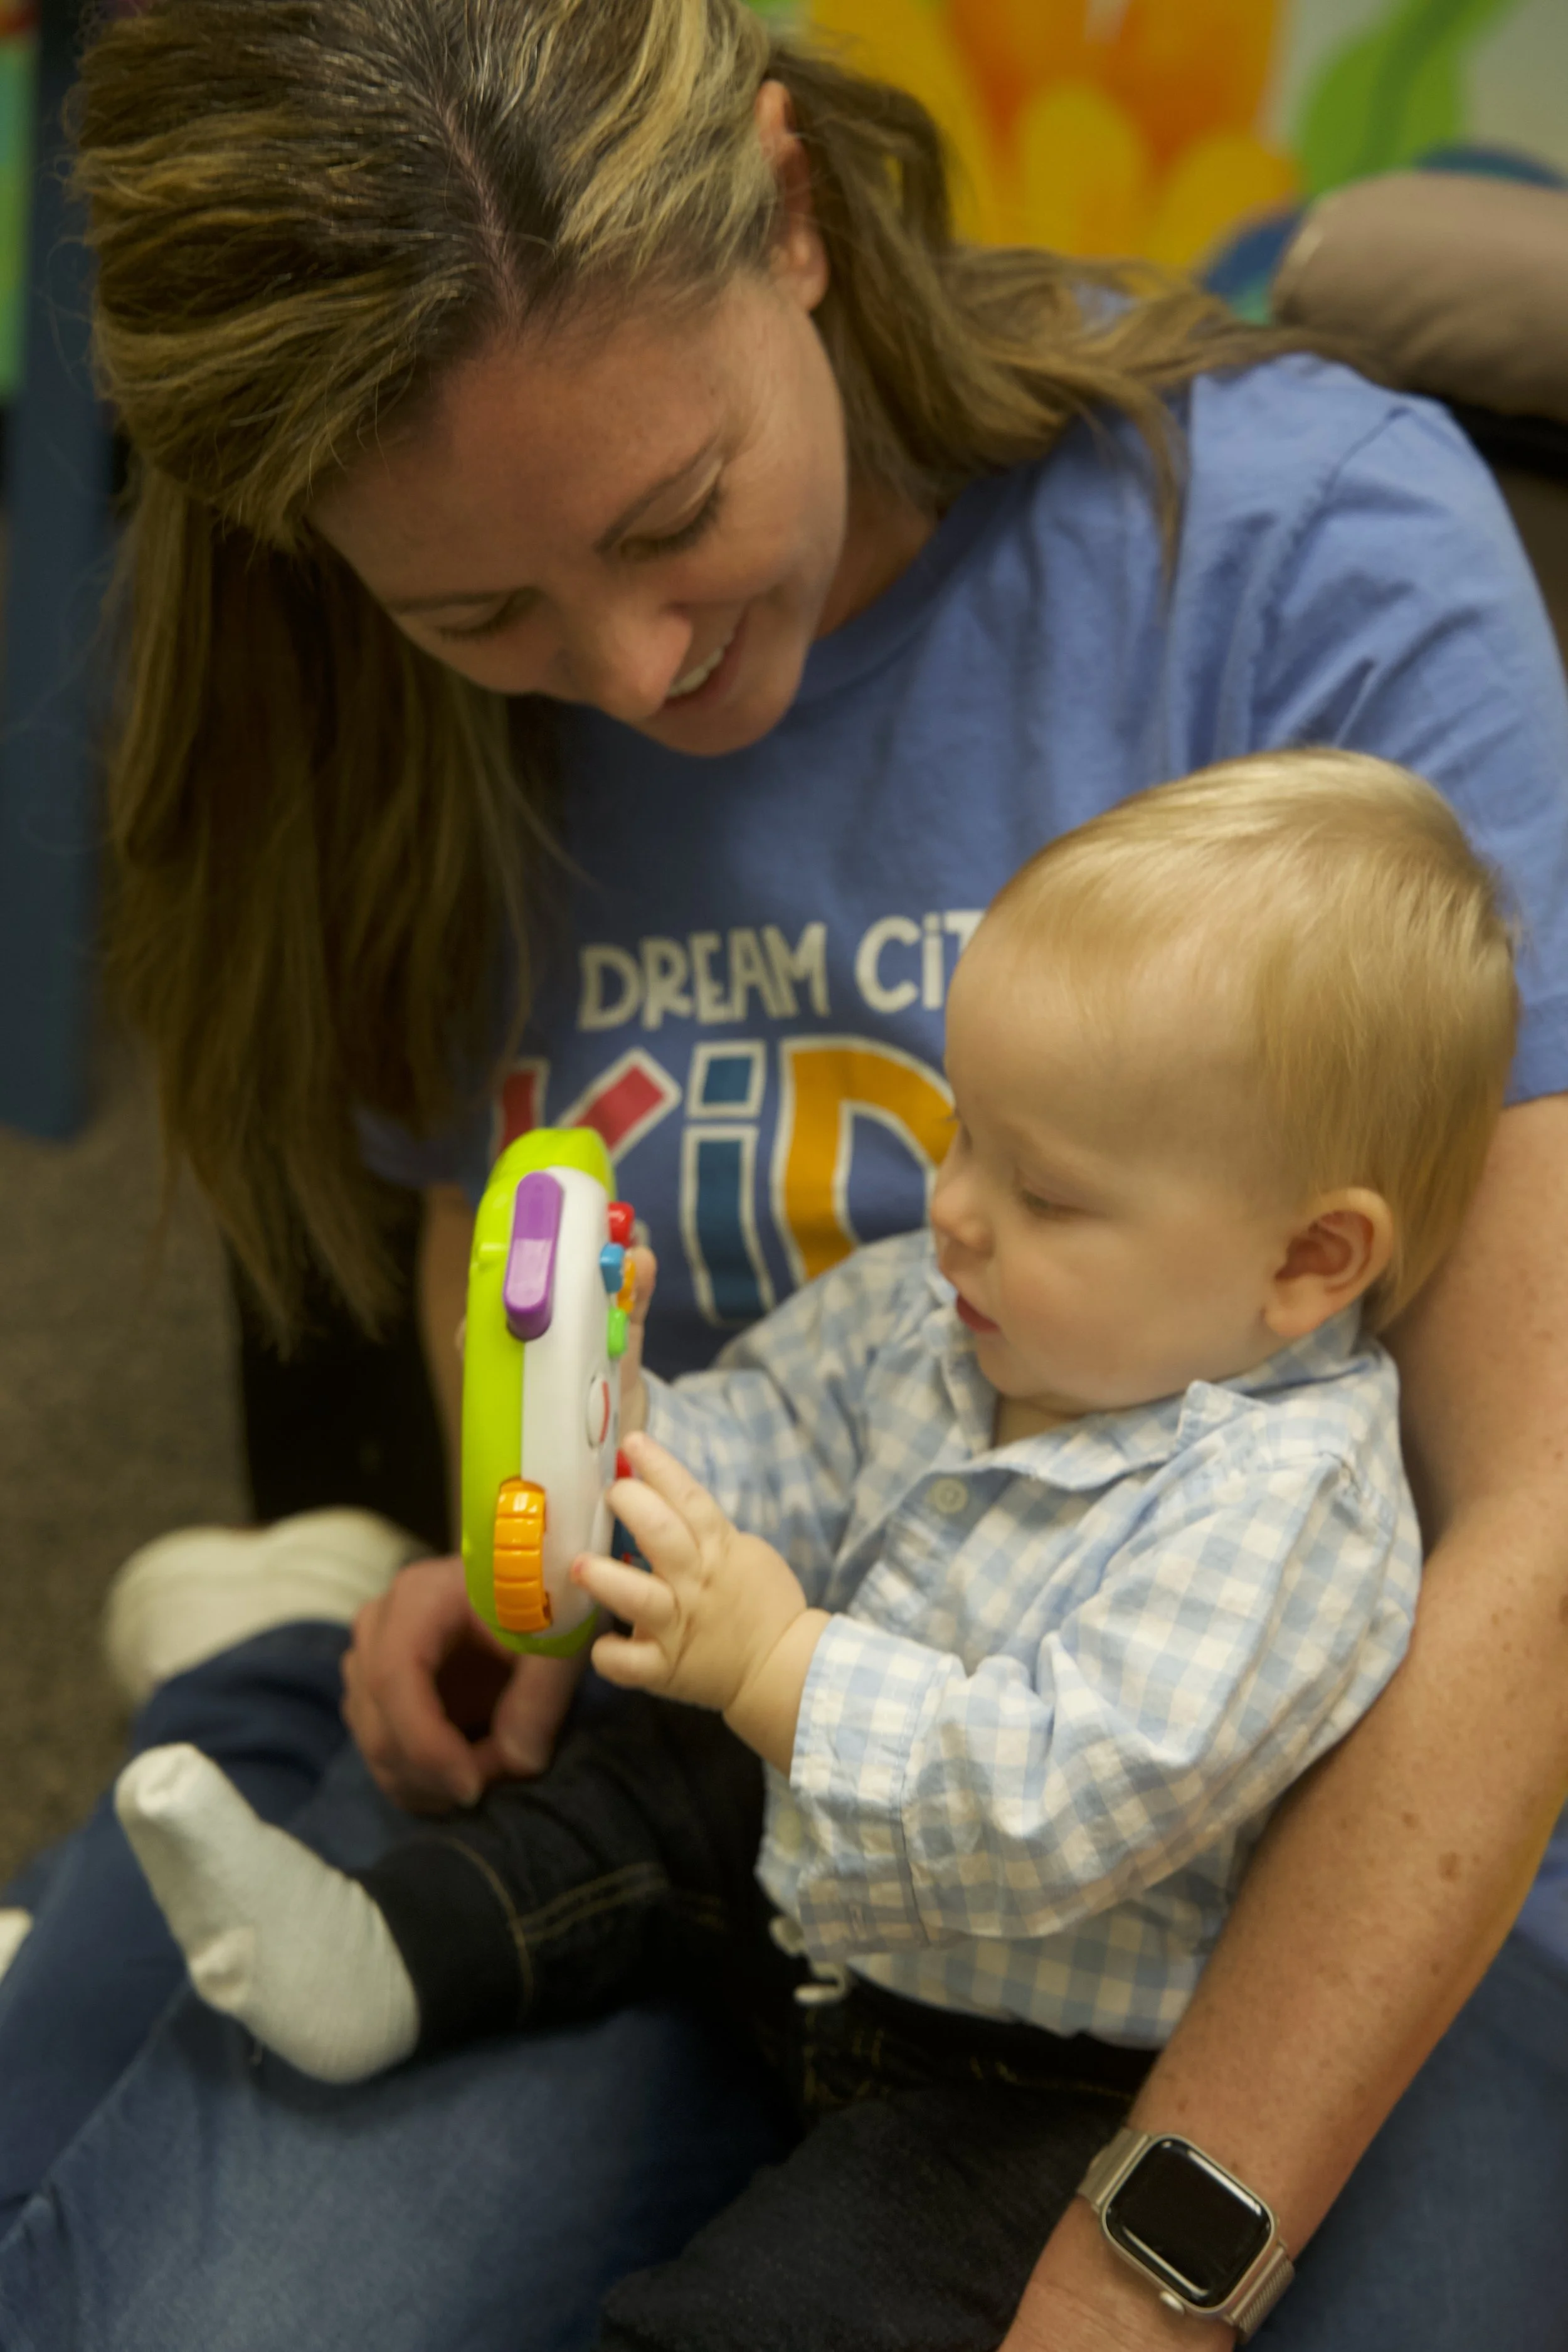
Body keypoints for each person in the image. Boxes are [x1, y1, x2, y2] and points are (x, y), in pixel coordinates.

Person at [1, 1, 1567, 2345]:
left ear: (797, 212)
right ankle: (295, 1660)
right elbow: (510, 1245)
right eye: (484, 616)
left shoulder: (1311, 550)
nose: (629, 671)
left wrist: (1158, 2264)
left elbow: (1538, 1514)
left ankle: (258, 1656)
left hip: (1251, 1827)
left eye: (670, 521)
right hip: (719, 1753)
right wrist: (526, 1555)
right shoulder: (389, 710)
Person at [109, 752, 1518, 2352]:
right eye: (962, 1132)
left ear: (1306, 1259)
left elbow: (1058, 1802)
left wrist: (779, 1668)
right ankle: (383, 1958)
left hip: (1022, 2069)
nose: (956, 1211)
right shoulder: (948, 1301)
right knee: (625, 1787)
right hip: (814, 1898)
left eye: (1042, 1190)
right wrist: (606, 1430)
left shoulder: (1288, 1506)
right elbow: (775, 1427)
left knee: (797, 2307)